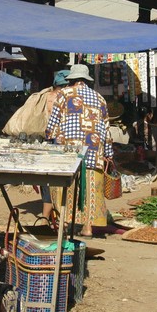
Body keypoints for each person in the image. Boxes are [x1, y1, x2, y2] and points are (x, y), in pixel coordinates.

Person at [45, 64, 113, 238]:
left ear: (72, 80)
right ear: (86, 80)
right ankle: (88, 228)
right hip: (93, 150)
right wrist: (109, 154)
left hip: (69, 151)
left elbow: (52, 124)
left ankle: (65, 223)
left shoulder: (64, 94)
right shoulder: (99, 98)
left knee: (67, 187)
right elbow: (106, 130)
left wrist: (48, 138)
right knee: (90, 189)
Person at [39, 69, 69, 222]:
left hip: (45, 140)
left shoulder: (45, 96)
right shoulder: (66, 97)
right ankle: (60, 213)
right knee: (62, 177)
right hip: (61, 140)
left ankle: (45, 215)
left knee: (47, 177)